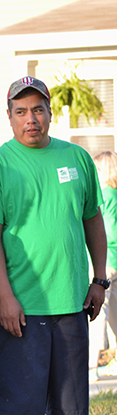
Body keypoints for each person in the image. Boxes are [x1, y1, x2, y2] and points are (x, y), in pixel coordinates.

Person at [0, 76, 108, 414]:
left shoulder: (77, 158)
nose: (30, 119)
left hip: (72, 302)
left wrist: (100, 279)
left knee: (72, 404)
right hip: (22, 308)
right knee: (20, 406)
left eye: (37, 110)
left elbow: (92, 220)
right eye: (21, 112)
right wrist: (5, 296)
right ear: (9, 116)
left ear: (50, 112)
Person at [89, 151, 117, 378]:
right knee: (115, 314)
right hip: (116, 260)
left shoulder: (104, 196)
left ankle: (91, 366)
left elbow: (102, 231)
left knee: (98, 312)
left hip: (106, 262)